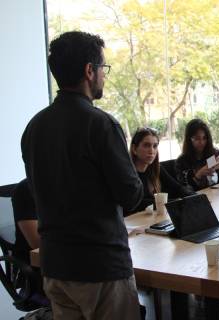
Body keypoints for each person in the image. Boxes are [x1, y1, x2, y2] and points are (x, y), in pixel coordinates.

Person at [21, 31, 144, 320]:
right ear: (89, 71)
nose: (104, 75)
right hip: (101, 267)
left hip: (56, 267)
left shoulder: (34, 128)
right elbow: (130, 195)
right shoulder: (101, 125)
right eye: (103, 68)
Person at [129, 127, 194, 213]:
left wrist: (196, 197)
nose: (151, 151)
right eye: (146, 145)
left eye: (155, 146)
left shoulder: (156, 168)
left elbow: (177, 188)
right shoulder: (127, 173)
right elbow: (139, 203)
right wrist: (176, 202)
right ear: (134, 149)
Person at [176, 119, 219, 191]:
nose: (202, 142)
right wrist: (198, 175)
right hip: (200, 200)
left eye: (204, 138)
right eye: (197, 138)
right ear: (189, 139)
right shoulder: (182, 161)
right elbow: (184, 190)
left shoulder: (214, 153)